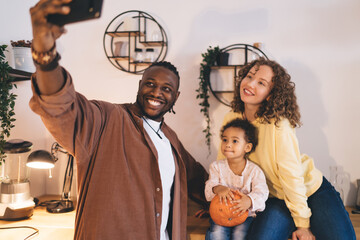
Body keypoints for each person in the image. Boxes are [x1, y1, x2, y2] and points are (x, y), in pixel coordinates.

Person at [28, 1, 208, 240]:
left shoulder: (170, 140)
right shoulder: (106, 119)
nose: (156, 93)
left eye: (166, 89)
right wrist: (45, 55)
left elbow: (199, 179)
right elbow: (61, 106)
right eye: (150, 84)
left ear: (176, 97)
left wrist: (225, 195)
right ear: (140, 86)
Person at [218, 58, 356, 240]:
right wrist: (217, 204)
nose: (250, 83)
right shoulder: (231, 118)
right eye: (249, 76)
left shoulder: (278, 125)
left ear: (270, 94)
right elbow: (225, 166)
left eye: (261, 82)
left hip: (309, 191)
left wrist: (302, 225)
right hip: (274, 199)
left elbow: (291, 177)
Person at [205, 118, 269, 240]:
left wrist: (249, 201)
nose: (228, 144)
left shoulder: (254, 171)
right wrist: (218, 188)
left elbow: (262, 192)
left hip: (245, 215)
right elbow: (210, 185)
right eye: (225, 140)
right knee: (216, 233)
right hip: (221, 213)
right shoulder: (216, 167)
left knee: (240, 235)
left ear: (247, 147)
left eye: (235, 141)